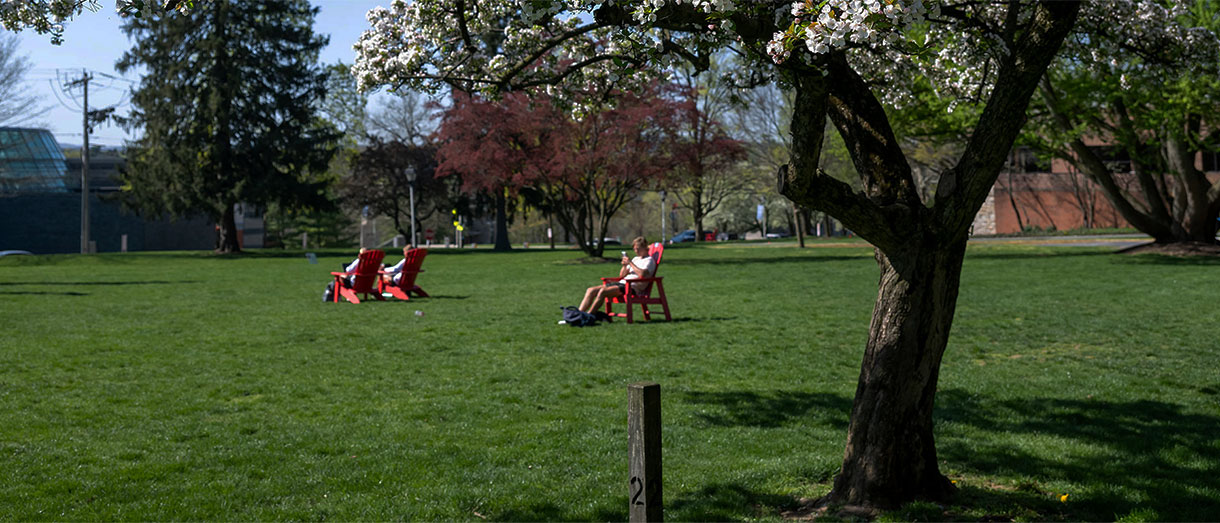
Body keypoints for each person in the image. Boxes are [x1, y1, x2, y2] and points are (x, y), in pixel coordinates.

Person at [577, 236, 655, 314]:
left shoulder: (649, 260)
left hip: (631, 287)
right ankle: (578, 314)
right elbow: (622, 275)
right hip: (622, 284)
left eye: (638, 248)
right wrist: (625, 265)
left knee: (602, 291)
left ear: (645, 248)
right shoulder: (636, 259)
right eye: (634, 249)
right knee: (591, 290)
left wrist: (630, 263)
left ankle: (589, 315)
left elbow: (642, 274)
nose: (636, 251)